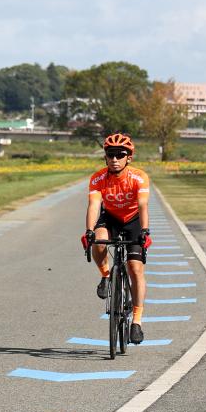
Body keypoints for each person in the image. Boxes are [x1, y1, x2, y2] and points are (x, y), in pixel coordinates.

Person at [81, 133, 152, 344]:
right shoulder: (98, 178)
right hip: (110, 218)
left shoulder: (139, 177)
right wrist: (89, 231)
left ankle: (137, 321)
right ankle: (105, 275)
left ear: (128, 157)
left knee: (135, 268)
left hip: (133, 221)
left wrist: (145, 231)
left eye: (120, 155)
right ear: (105, 157)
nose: (115, 159)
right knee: (99, 241)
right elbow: (94, 205)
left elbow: (142, 205)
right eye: (110, 154)